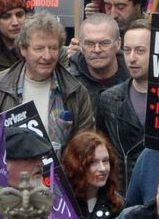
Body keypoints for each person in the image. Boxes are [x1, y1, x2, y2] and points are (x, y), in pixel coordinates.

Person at [0, 11, 95, 154]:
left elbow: (86, 148)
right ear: (23, 49)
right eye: (39, 48)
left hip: (59, 175)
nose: (47, 56)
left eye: (53, 48)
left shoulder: (76, 91)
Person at [100, 21, 151, 191]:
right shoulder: (109, 99)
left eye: (140, 50)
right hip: (120, 194)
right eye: (127, 50)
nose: (132, 58)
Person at [66, 14, 130, 111]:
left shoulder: (135, 81)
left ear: (118, 44)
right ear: (81, 46)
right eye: (89, 43)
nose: (97, 50)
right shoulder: (67, 83)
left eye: (104, 43)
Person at [63, 131, 125, 219]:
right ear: (76, 166)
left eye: (105, 161)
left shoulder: (116, 204)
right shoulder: (61, 203)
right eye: (93, 162)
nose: (102, 168)